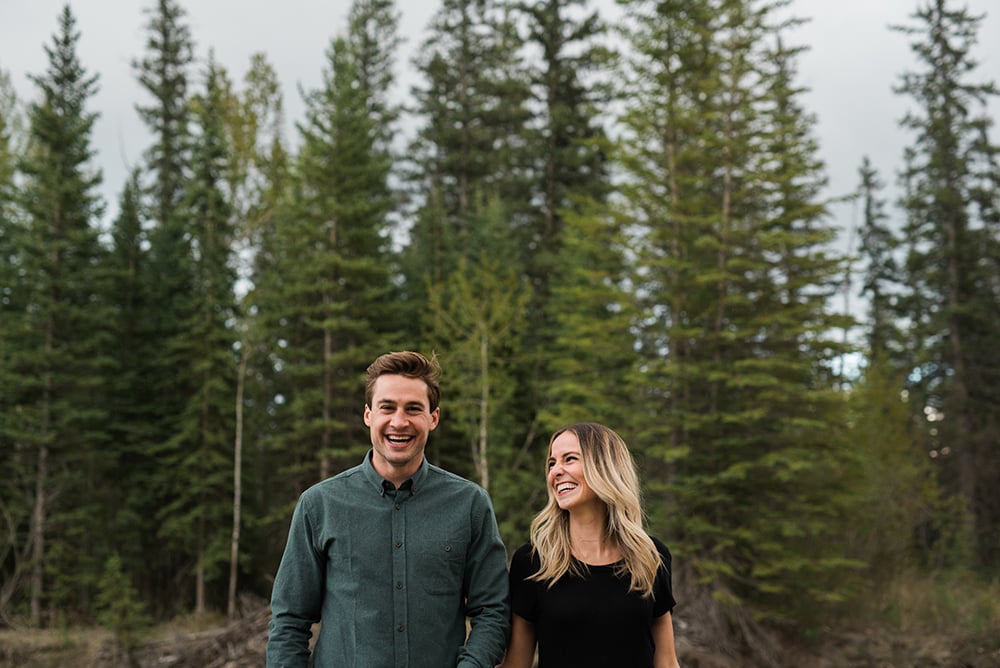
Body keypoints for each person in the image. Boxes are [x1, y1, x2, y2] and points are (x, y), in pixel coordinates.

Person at [266, 351, 510, 668]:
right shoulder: (319, 504)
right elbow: (289, 620)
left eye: (413, 409)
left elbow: (493, 611)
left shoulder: (470, 504)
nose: (399, 421)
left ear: (433, 418)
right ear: (368, 414)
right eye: (387, 408)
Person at [499, 422, 680, 668]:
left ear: (605, 467)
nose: (556, 471)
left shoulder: (650, 556)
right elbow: (516, 664)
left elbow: (667, 663)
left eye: (569, 459)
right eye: (552, 463)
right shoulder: (533, 561)